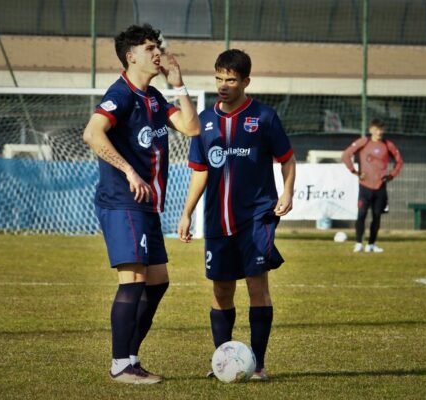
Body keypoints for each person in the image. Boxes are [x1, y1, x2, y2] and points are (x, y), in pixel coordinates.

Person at [83, 24, 200, 384]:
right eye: (150, 47)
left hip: (147, 206)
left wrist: (177, 84)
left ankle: (130, 357)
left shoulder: (154, 99)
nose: (157, 53)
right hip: (123, 202)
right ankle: (120, 364)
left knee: (158, 281)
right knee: (133, 279)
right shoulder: (122, 94)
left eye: (158, 47)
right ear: (131, 55)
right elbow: (92, 133)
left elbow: (192, 127)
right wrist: (129, 172)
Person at [177, 49, 296, 381]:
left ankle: (257, 364)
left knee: (257, 286)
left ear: (245, 81)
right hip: (217, 221)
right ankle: (223, 361)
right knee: (221, 290)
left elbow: (287, 158)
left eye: (230, 79)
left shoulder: (265, 117)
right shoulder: (203, 121)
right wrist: (187, 213)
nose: (223, 85)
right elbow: (199, 171)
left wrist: (287, 192)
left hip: (256, 217)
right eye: (219, 78)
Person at [341, 118, 403, 253]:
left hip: (380, 186)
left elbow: (399, 162)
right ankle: (358, 243)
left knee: (377, 215)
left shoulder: (388, 145)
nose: (379, 132)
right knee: (361, 214)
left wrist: (391, 175)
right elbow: (346, 155)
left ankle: (371, 244)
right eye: (376, 129)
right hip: (365, 186)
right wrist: (354, 171)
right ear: (371, 130)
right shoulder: (364, 142)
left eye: (381, 129)